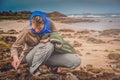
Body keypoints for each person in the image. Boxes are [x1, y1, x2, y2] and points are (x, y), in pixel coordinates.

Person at [11, 11, 81, 76]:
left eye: (40, 28)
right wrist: (15, 58)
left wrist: (50, 38)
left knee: (76, 60)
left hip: (48, 55)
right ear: (31, 23)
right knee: (48, 45)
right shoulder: (26, 31)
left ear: (44, 23)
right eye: (35, 28)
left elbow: (56, 36)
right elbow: (14, 47)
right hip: (31, 57)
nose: (37, 30)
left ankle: (50, 66)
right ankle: (33, 69)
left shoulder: (50, 23)